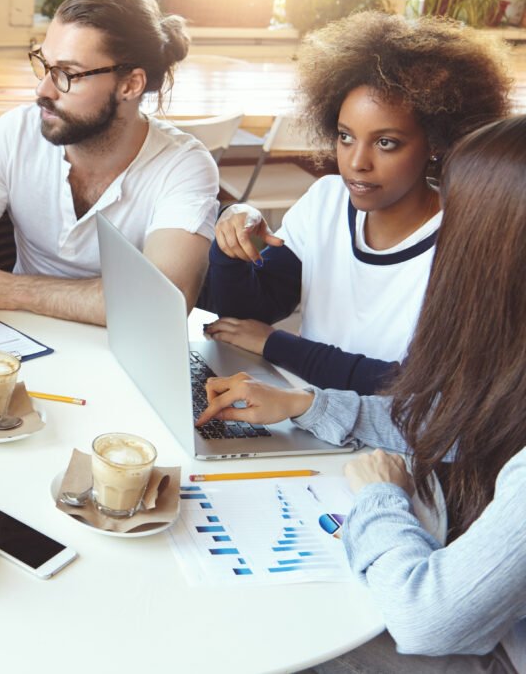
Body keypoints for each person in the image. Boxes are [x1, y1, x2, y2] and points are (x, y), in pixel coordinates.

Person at [198, 114, 526, 674]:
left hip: (495, 652)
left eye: (461, 216)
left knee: (245, 633)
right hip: (468, 597)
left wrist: (380, 499)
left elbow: (428, 621)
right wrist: (307, 405)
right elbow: (460, 422)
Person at [201, 12, 512, 394]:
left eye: (386, 143)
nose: (356, 162)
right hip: (303, 412)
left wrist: (278, 344)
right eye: (346, 137)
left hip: (387, 444)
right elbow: (246, 319)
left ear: (436, 142)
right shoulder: (328, 200)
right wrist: (230, 246)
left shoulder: (464, 244)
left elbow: (416, 391)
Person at [0, 0, 219, 326]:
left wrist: (15, 290)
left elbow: (160, 303)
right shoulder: (15, 132)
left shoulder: (184, 166)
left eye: (67, 74)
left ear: (130, 85)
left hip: (120, 348)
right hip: (16, 333)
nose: (43, 90)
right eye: (44, 65)